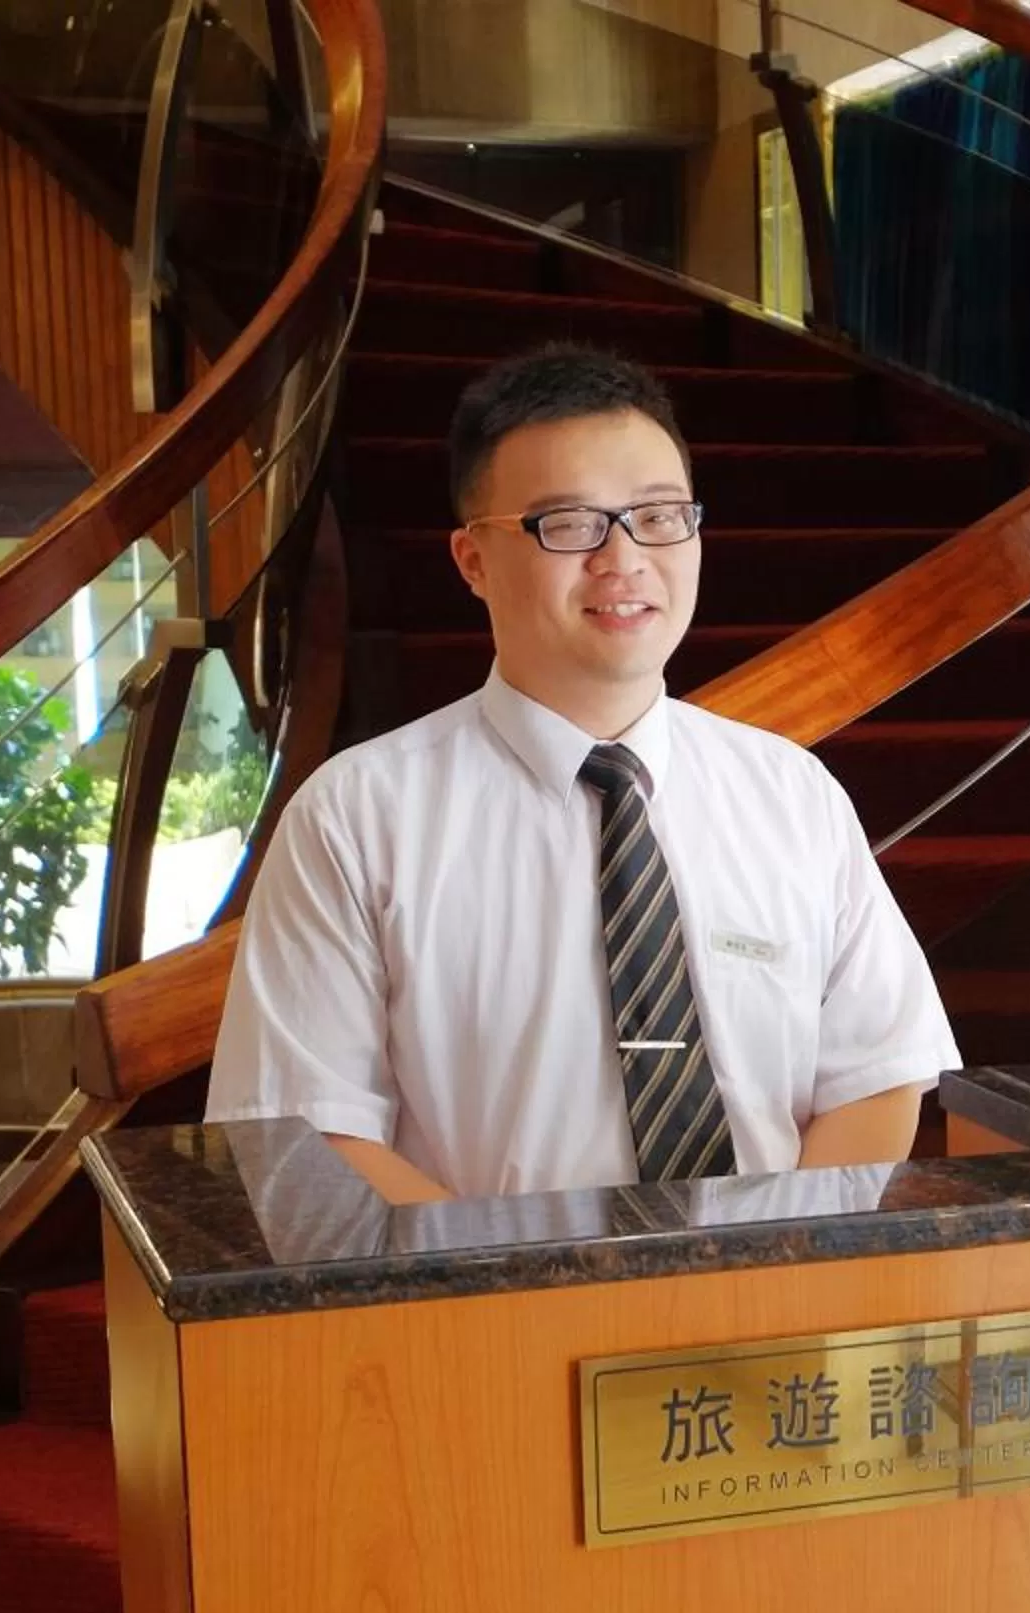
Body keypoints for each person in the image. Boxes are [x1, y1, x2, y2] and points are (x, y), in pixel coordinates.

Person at [204, 343, 960, 1202]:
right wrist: (527, 1281)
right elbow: (309, 1133)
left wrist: (786, 1257)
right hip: (483, 1286)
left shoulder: (794, 795)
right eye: (568, 525)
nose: (623, 559)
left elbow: (876, 1075)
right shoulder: (354, 819)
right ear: (473, 561)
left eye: (659, 516)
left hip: (777, 1282)